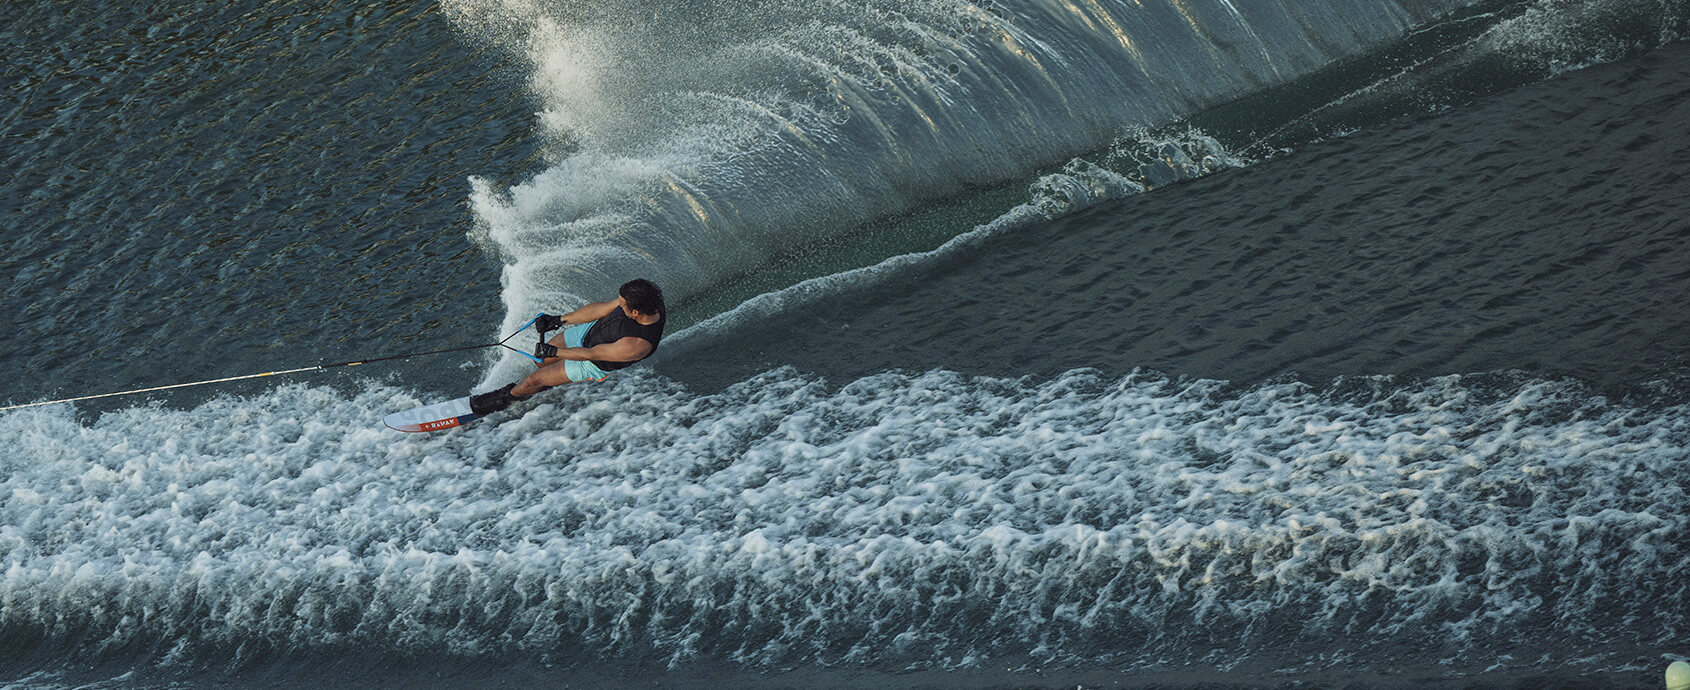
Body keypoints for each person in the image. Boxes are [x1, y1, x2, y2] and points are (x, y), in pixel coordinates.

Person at [469, 279, 666, 415]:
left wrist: (557, 352)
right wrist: (558, 320)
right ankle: (547, 380)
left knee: (532, 380)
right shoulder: (638, 297)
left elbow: (592, 353)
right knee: (541, 362)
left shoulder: (638, 345)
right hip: (590, 332)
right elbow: (601, 308)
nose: (619, 305)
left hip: (594, 362)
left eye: (623, 305)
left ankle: (503, 399)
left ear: (635, 312)